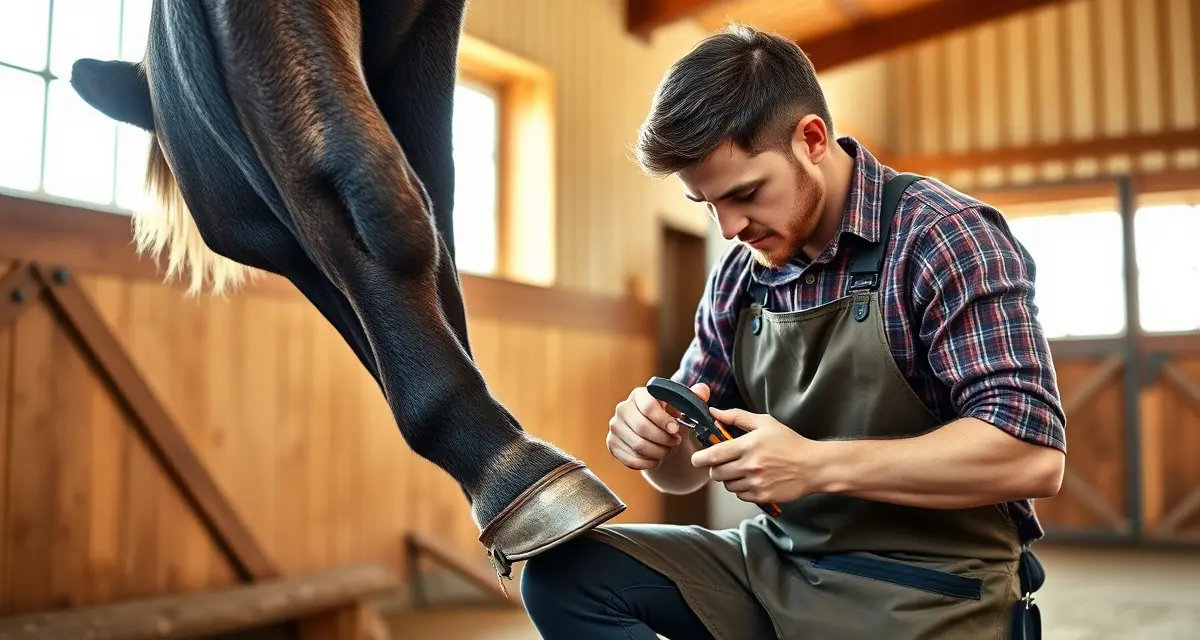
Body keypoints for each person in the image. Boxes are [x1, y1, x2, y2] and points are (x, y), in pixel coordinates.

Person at [518, 23, 1065, 640]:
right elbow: (686, 469)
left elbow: (1032, 457)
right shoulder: (740, 276)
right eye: (708, 205)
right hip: (779, 563)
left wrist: (816, 465)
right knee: (565, 575)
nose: (729, 228)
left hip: (931, 590)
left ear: (811, 139)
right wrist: (657, 444)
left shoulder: (943, 235)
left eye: (746, 193)